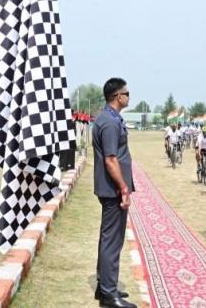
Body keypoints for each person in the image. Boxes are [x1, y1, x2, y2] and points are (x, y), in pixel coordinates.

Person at [92, 78, 136, 308]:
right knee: (112, 240)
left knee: (108, 239)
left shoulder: (110, 118)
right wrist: (123, 187)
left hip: (111, 188)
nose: (129, 97)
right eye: (127, 93)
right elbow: (111, 160)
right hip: (112, 190)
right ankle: (109, 295)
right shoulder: (109, 122)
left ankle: (105, 285)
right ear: (118, 97)